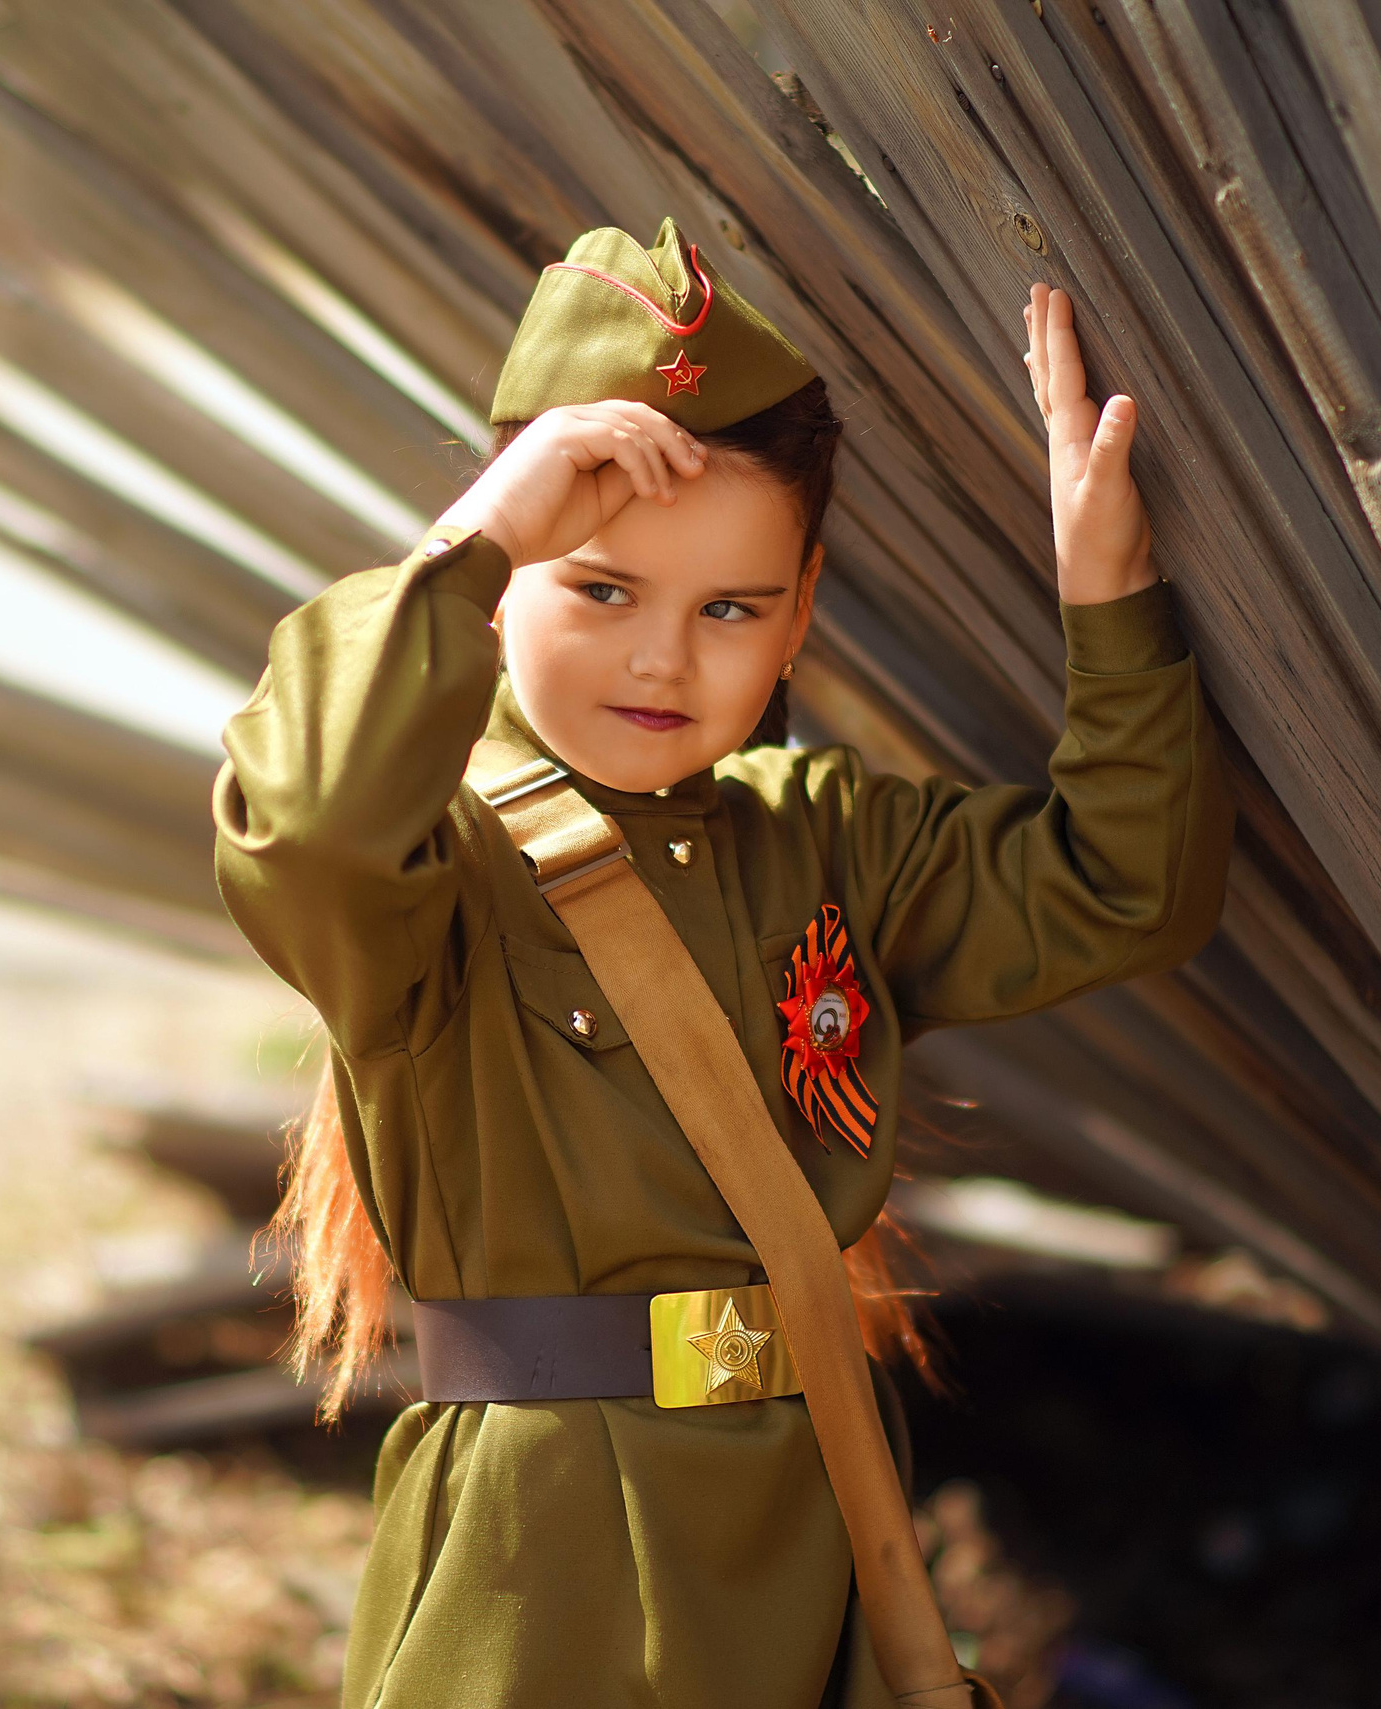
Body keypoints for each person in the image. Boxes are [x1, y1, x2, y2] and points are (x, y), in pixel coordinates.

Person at [211, 216, 1234, 1709]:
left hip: (818, 1515)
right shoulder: (434, 862)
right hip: (543, 1557)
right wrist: (477, 534)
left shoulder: (820, 837)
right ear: (510, 585)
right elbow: (299, 820)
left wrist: (1110, 602)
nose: (661, 660)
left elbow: (1123, 887)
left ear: (800, 614)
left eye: (731, 609)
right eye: (600, 589)